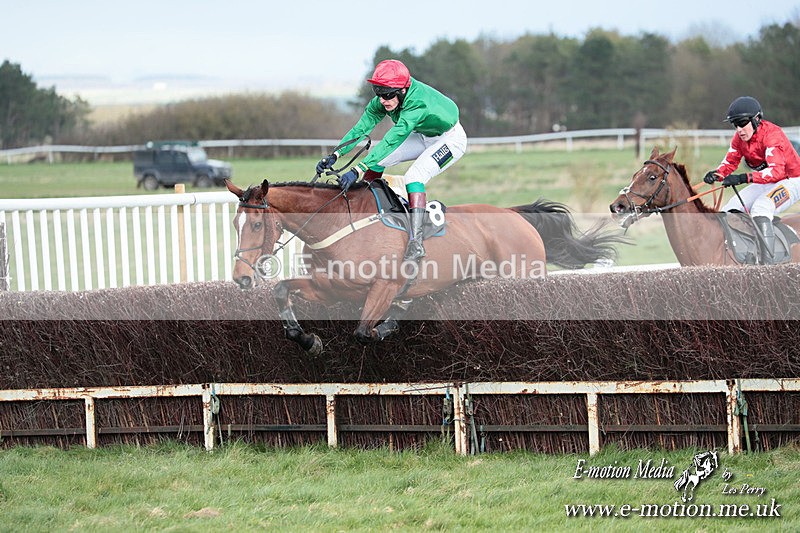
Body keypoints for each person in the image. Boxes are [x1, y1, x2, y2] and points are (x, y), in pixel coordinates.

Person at [315, 59, 467, 261]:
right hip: (423, 135)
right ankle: (366, 211)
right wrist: (335, 155)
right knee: (378, 160)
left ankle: (416, 242)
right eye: (378, 93)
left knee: (414, 177)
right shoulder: (384, 99)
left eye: (387, 95)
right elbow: (360, 129)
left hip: (450, 139)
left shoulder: (416, 104)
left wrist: (358, 170)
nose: (383, 100)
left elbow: (392, 140)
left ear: (403, 91)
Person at [703, 96, 800, 263]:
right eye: (735, 125)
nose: (739, 129)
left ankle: (767, 264)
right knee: (729, 209)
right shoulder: (739, 138)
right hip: (767, 181)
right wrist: (718, 174)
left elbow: (776, 172)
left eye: (742, 123)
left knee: (761, 207)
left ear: (756, 120)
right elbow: (730, 161)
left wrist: (744, 177)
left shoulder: (772, 135)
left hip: (792, 180)